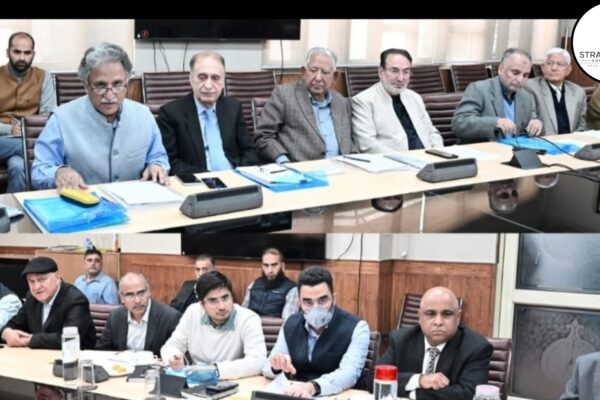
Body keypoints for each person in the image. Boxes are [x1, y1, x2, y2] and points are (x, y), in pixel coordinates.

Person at [31, 42, 169, 190]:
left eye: (117, 84)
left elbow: (158, 157)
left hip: (135, 200)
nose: (109, 95)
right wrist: (59, 172)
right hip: (83, 200)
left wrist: (156, 166)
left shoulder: (144, 115)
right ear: (86, 86)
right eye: (100, 85)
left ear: (127, 83)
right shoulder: (61, 119)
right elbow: (39, 170)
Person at [368, 286, 492, 400]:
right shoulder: (401, 339)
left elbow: (470, 394)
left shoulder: (476, 348)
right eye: (430, 314)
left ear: (458, 318)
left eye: (447, 314)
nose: (438, 322)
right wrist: (419, 380)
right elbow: (372, 378)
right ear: (419, 317)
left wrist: (414, 393)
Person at [263, 266, 370, 397]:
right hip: (297, 394)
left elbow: (349, 374)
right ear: (299, 303)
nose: (316, 308)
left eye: (322, 300)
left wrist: (313, 387)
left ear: (334, 299)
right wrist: (275, 366)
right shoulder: (290, 323)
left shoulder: (357, 328)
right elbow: (267, 368)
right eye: (308, 302)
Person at [157, 51, 257, 175]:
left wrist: (240, 174)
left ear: (223, 82)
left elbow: (248, 151)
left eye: (215, 78)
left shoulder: (233, 108)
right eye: (202, 77)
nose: (208, 85)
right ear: (191, 78)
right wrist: (208, 177)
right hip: (198, 180)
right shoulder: (170, 114)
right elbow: (169, 161)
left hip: (235, 178)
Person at [253, 47, 355, 163]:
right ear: (303, 72)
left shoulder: (342, 102)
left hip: (343, 168)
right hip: (300, 168)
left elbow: (350, 143)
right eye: (313, 70)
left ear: (335, 76)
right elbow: (263, 135)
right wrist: (283, 161)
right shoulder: (284, 95)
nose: (318, 78)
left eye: (325, 72)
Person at [161, 270, 267, 379]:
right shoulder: (193, 312)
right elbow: (171, 346)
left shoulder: (248, 319)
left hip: (232, 382)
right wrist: (174, 358)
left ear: (232, 296)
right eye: (213, 301)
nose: (222, 306)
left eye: (225, 298)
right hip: (195, 380)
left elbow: (258, 361)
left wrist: (215, 370)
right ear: (202, 304)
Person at [352, 48, 444, 153]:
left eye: (406, 72)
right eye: (394, 71)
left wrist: (440, 154)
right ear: (381, 72)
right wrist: (403, 159)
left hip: (429, 158)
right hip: (392, 161)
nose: (401, 78)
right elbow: (367, 144)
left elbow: (432, 133)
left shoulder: (415, 98)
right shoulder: (363, 101)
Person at [0, 32, 56, 193]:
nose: (22, 58)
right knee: (32, 148)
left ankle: (14, 208)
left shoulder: (43, 77)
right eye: (17, 52)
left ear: (33, 54)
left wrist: (28, 130)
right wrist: (9, 129)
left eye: (27, 53)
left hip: (28, 137)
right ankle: (47, 153)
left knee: (18, 166)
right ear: (7, 52)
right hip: (3, 140)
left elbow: (48, 116)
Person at [1, 257, 96, 349]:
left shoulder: (76, 300)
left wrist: (30, 340)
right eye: (31, 281)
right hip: (40, 355)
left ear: (57, 277)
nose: (36, 287)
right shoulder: (31, 297)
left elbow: (69, 338)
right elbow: (15, 323)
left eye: (41, 280)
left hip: (77, 356)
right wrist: (6, 333)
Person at [452, 48, 543, 143]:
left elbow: (524, 128)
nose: (520, 79)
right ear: (501, 69)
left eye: (525, 75)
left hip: (513, 149)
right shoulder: (479, 89)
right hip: (482, 149)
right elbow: (459, 124)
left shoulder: (525, 96)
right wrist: (495, 123)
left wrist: (534, 123)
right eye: (515, 73)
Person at [96, 272, 181, 357]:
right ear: (122, 298)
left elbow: (178, 355)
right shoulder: (116, 316)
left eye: (141, 293)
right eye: (130, 295)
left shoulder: (170, 318)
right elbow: (102, 350)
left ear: (149, 292)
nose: (137, 301)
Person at [524, 48, 587, 134]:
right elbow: (531, 118)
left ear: (568, 70)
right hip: (543, 140)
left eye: (559, 64)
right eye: (549, 63)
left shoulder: (578, 92)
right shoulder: (530, 87)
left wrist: (575, 137)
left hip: (571, 140)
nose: (554, 68)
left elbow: (582, 125)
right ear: (543, 67)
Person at [241, 248, 298, 319]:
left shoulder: (291, 290)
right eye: (266, 265)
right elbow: (243, 313)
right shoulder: (253, 285)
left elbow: (287, 322)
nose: (270, 270)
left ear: (282, 266)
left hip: (275, 326)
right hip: (250, 325)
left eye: (274, 265)